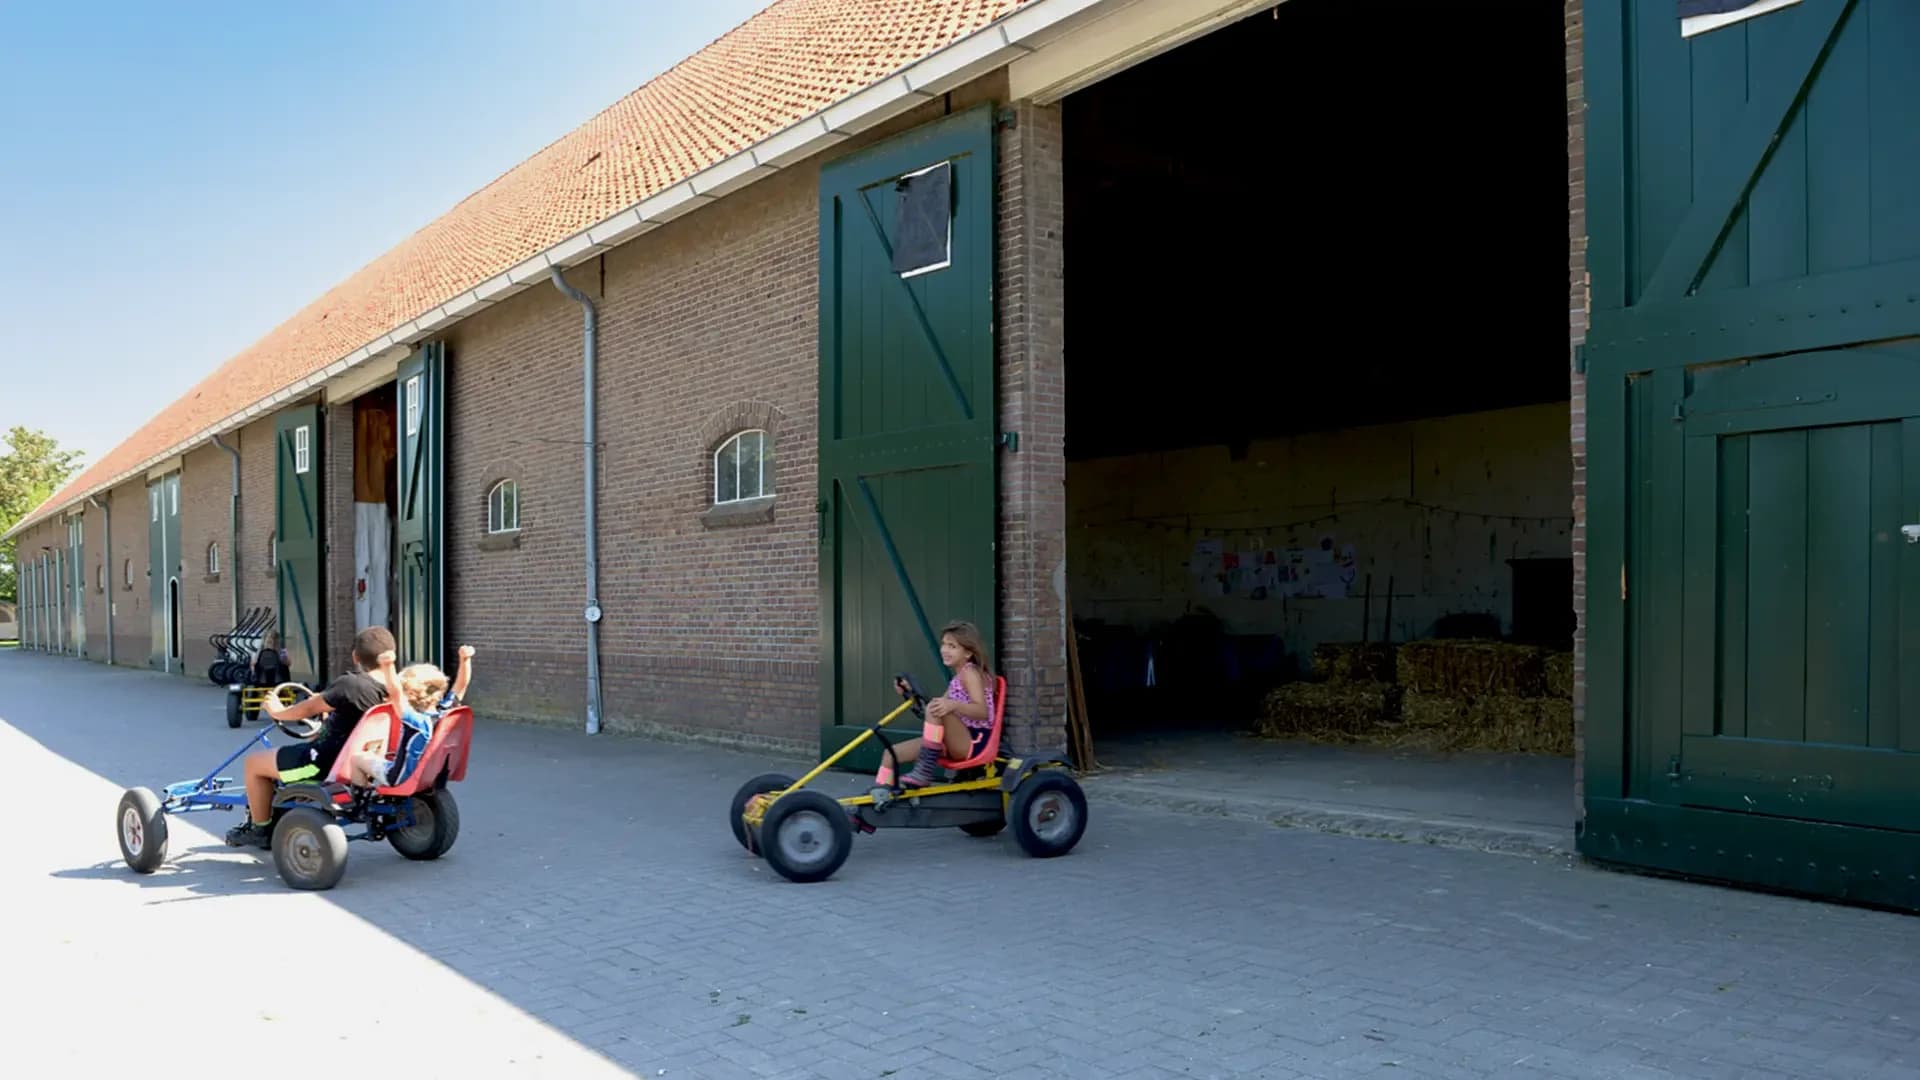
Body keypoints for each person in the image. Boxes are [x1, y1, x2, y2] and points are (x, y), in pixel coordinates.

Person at [223, 626, 394, 850]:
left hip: (321, 763)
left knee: (254, 764)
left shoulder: (351, 685)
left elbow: (304, 710)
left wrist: (276, 711)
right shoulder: (397, 690)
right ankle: (277, 811)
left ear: (355, 656)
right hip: (363, 762)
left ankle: (260, 828)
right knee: (280, 757)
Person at [873, 620, 995, 792]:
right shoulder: (957, 679)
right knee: (891, 754)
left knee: (938, 706)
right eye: (944, 644)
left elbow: (983, 712)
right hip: (947, 741)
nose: (945, 650)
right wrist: (909, 694)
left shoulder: (971, 673)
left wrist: (952, 705)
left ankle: (924, 770)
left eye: (952, 646)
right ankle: (880, 791)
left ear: (967, 652)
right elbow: (931, 716)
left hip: (972, 742)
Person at [348, 645, 475, 788]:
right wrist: (465, 660)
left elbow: (395, 693)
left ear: (410, 694)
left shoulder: (414, 721)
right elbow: (462, 685)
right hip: (432, 775)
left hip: (401, 777)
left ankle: (359, 803)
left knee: (357, 758)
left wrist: (388, 666)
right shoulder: (447, 712)